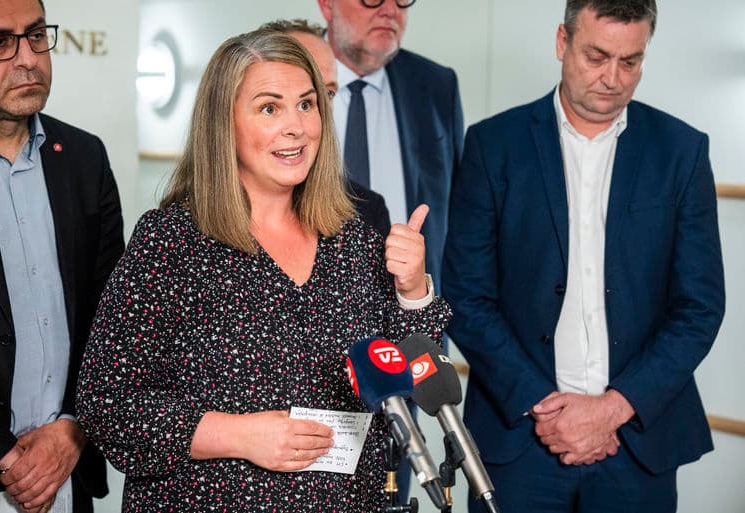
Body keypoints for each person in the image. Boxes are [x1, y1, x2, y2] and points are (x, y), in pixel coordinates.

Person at [75, 30, 450, 513]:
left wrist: (413, 289)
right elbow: (107, 404)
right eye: (269, 108)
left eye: (307, 105)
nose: (296, 127)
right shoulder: (171, 241)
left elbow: (412, 381)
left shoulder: (353, 240)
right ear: (223, 125)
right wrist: (238, 435)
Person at [442, 1, 726, 512]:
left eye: (630, 61)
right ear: (562, 42)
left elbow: (700, 307)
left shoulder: (681, 151)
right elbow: (467, 295)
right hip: (520, 439)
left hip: (636, 443)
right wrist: (548, 410)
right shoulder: (493, 145)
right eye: (597, 56)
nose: (613, 78)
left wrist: (613, 408)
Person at [0, 0, 124, 512]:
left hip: (67, 472)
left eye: (36, 35)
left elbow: (112, 321)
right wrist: (2, 456)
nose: (27, 59)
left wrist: (73, 429)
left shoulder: (84, 157)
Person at [317, 0, 464, 295]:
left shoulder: (436, 85)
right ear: (327, 5)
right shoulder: (284, 75)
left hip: (409, 304)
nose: (390, 10)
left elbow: (459, 212)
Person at [258, 18, 391, 236]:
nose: (314, 111)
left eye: (327, 93)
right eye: (271, 107)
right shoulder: (195, 224)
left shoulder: (365, 213)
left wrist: (412, 262)